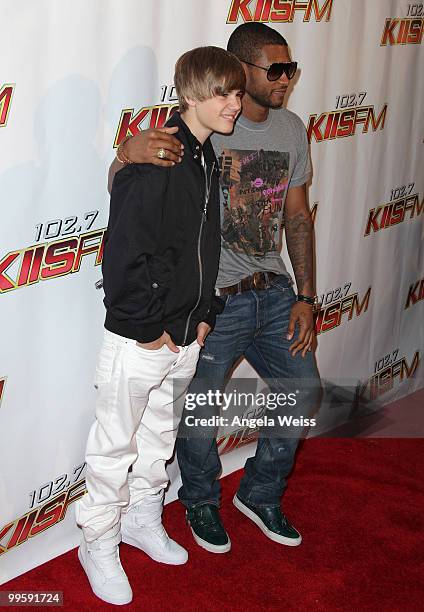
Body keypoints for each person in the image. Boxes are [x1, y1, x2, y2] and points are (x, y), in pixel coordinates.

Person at [110, 23, 321, 555]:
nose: (286, 80)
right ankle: (200, 497)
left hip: (274, 290)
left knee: (303, 390)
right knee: (198, 409)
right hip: (214, 298)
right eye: (275, 70)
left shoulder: (292, 129)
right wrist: (127, 149)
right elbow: (128, 178)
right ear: (238, 71)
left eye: (290, 69)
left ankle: (261, 492)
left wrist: (306, 296)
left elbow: (297, 217)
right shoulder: (210, 122)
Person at [76, 46, 245, 605]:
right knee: (112, 449)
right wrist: (147, 327)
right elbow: (122, 254)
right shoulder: (156, 155)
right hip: (141, 336)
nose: (234, 104)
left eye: (238, 92)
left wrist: (201, 318)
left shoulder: (204, 155)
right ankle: (96, 542)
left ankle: (142, 520)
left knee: (156, 441)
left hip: (184, 333)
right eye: (222, 92)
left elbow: (203, 248)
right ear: (190, 94)